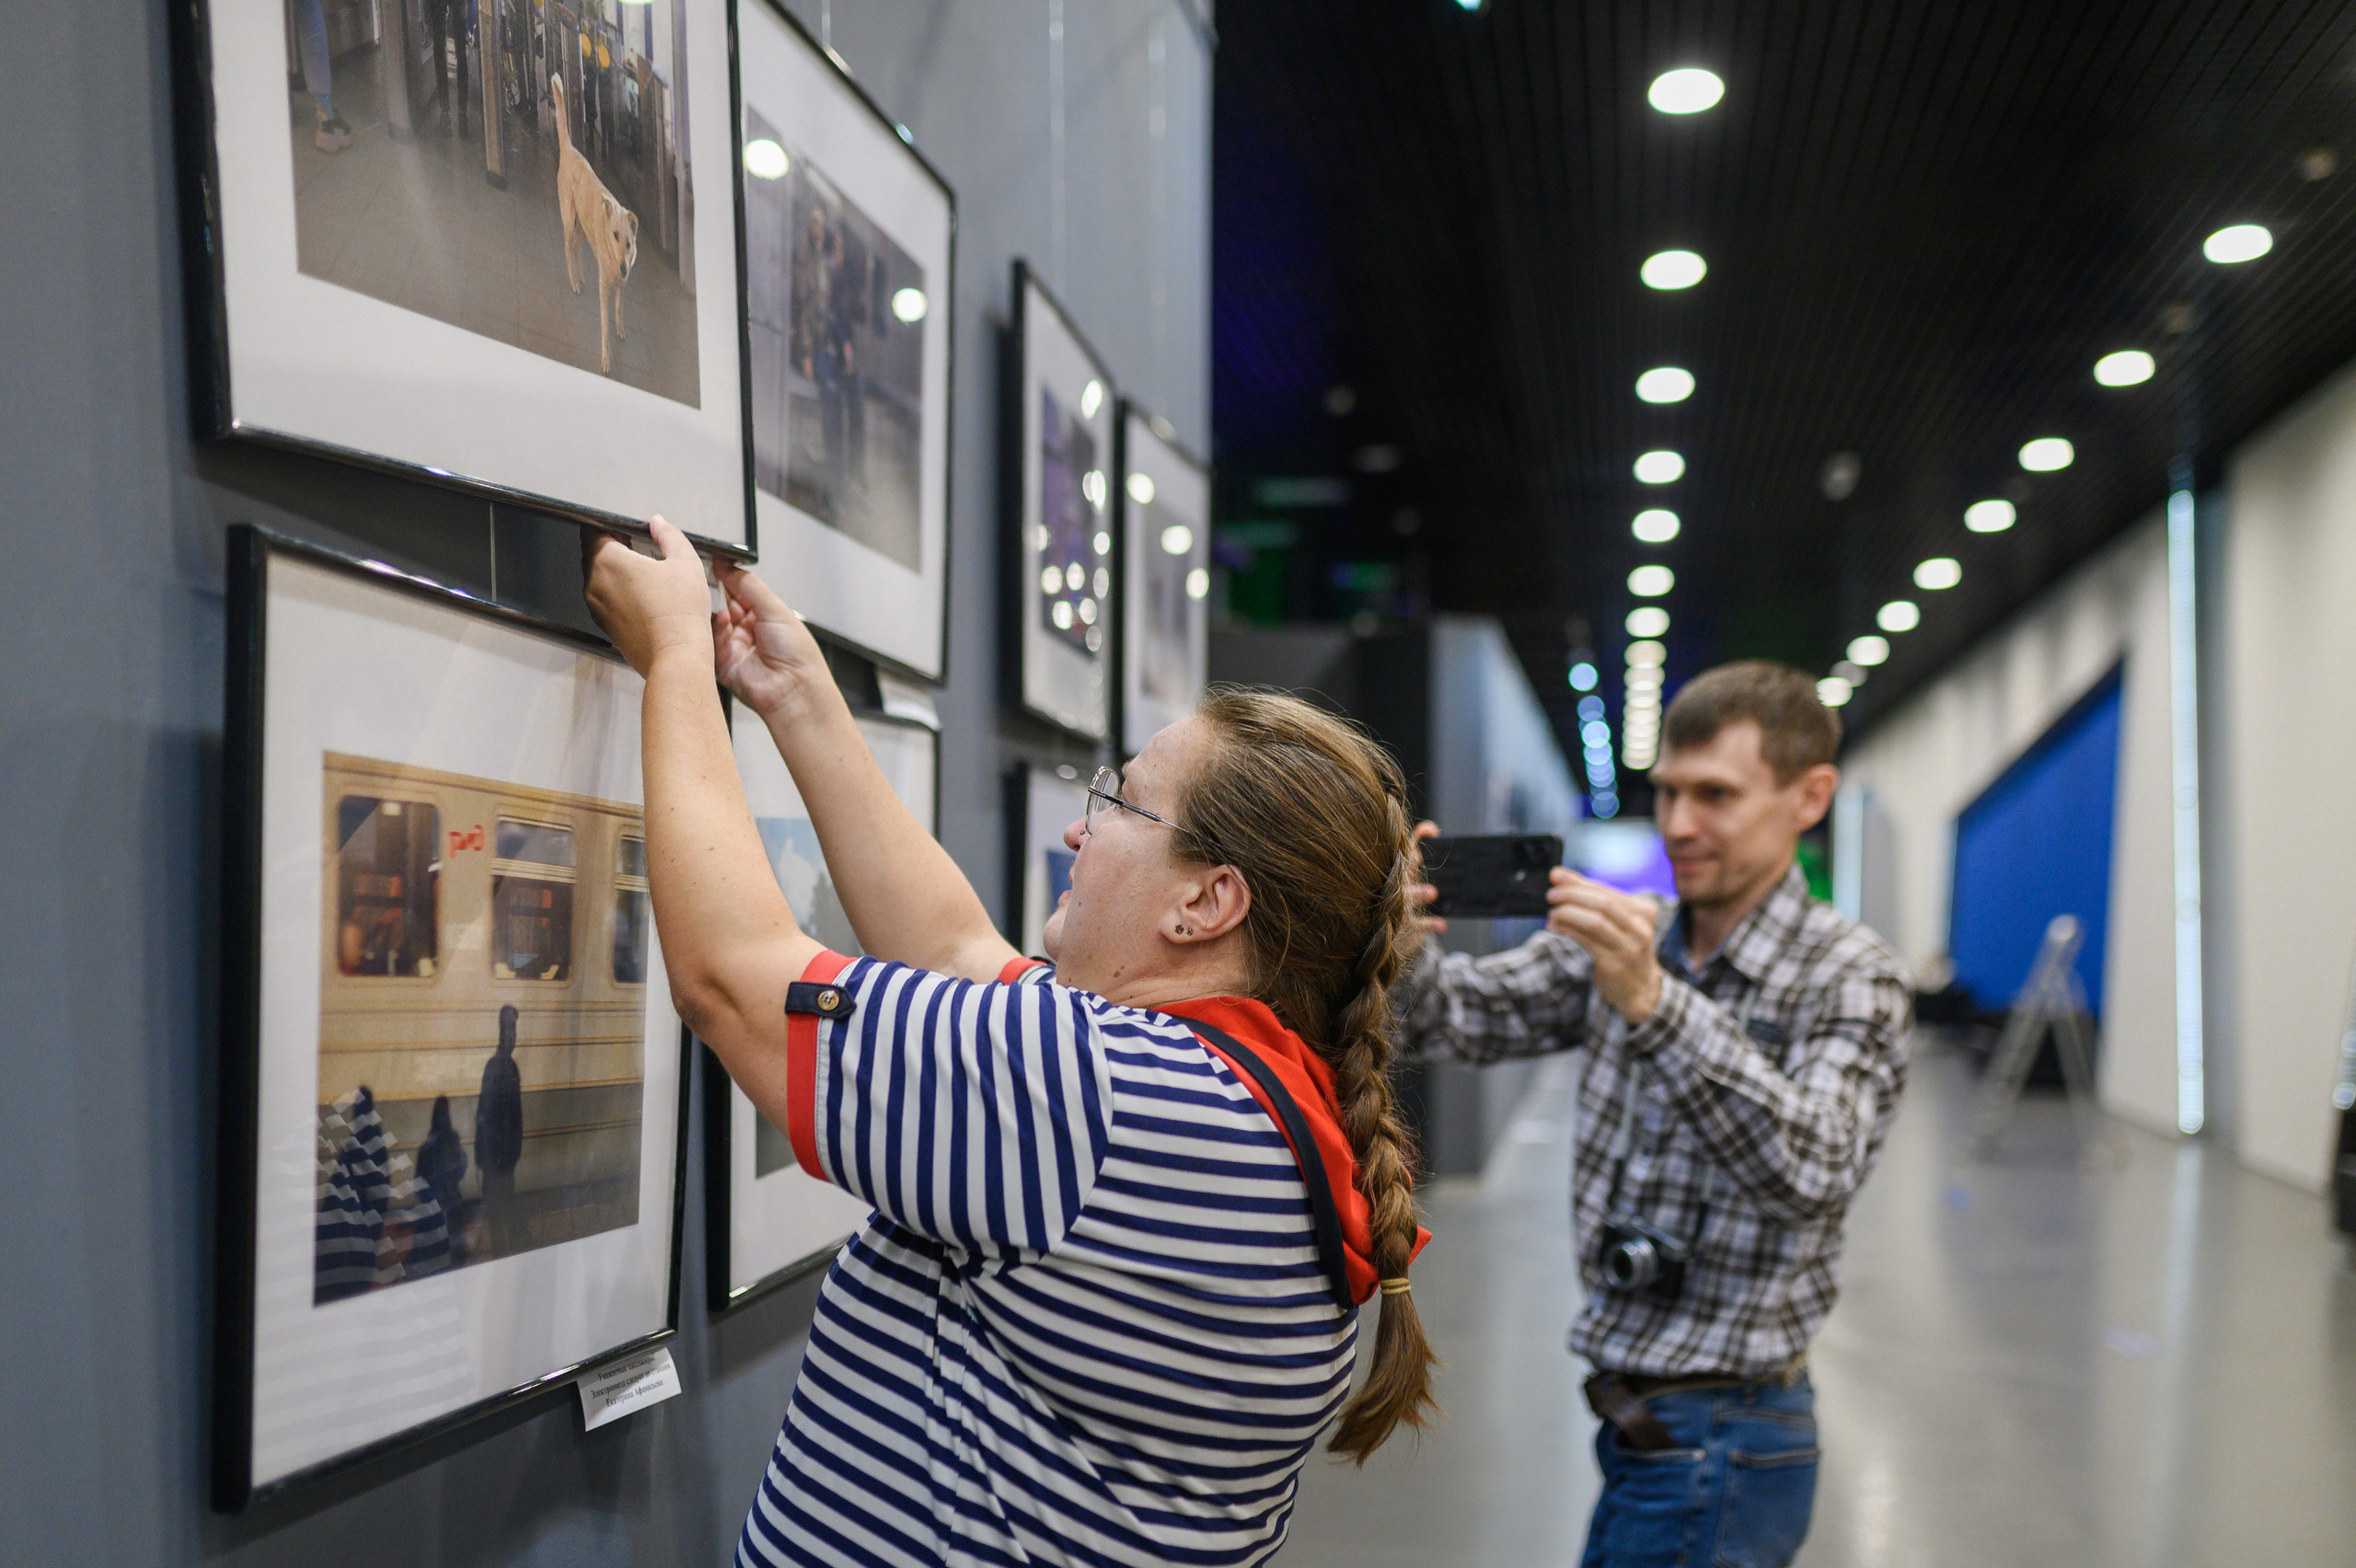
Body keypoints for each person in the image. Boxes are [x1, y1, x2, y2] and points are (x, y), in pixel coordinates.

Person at [583, 518, 1435, 1568]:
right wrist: (792, 696)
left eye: (1119, 801)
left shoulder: (1106, 1095)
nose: (1080, 829)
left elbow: (730, 977)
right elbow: (955, 949)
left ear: (1206, 903)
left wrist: (672, 660)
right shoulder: (1234, 1095)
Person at [1397, 660, 1911, 1568]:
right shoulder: (1638, 935)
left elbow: (1817, 1168)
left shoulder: (1849, 972)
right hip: (1637, 1421)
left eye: (1714, 795)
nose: (1678, 825)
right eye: (1667, 792)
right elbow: (1446, 1021)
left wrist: (1653, 1006)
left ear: (1809, 796)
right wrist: (1397, 947)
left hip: (1730, 1435)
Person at [475, 1005, 524, 1252]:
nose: (513, 1038)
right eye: (510, 1031)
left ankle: (504, 1251)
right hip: (501, 1158)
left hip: (496, 1157)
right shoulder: (504, 1068)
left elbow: (483, 1114)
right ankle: (509, 1249)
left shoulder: (495, 1067)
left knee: (497, 1210)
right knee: (504, 1208)